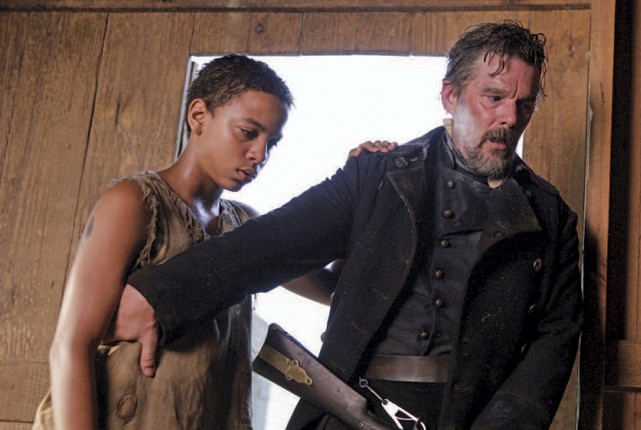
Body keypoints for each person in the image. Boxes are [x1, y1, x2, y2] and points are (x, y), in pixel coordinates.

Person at [111, 20, 583, 430]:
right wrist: (163, 296)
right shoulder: (379, 174)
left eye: (524, 105)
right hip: (348, 413)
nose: (509, 118)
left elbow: (553, 346)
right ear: (450, 95)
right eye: (494, 97)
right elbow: (273, 243)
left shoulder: (550, 215)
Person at [32, 54, 393, 430]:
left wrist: (362, 194)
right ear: (199, 116)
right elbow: (71, 346)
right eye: (248, 132)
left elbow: (336, 291)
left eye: (272, 143)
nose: (259, 155)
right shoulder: (135, 203)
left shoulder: (245, 224)